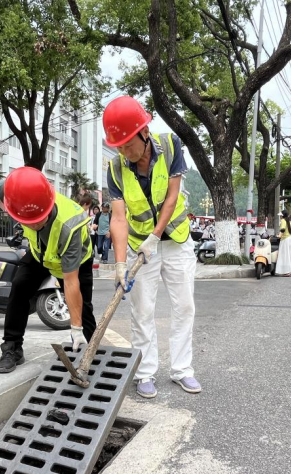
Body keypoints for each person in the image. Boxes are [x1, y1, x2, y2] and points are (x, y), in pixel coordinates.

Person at [0, 167, 96, 373]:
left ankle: (90, 352)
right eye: (28, 222)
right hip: (40, 253)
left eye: (38, 221)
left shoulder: (69, 226)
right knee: (19, 287)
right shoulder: (15, 192)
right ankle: (12, 349)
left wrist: (75, 328)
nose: (33, 226)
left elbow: (70, 281)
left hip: (75, 259)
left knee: (83, 310)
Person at [103, 95, 200, 399]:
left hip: (175, 240)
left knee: (184, 306)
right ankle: (145, 372)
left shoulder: (171, 146)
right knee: (142, 310)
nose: (123, 152)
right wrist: (120, 264)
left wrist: (156, 237)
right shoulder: (115, 168)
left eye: (127, 145)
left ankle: (182, 370)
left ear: (144, 132)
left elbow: (172, 197)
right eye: (118, 147)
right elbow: (118, 218)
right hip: (139, 246)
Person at [275, 210, 291, 276]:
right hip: (290, 238)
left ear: (282, 215)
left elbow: (282, 229)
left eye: (280, 215)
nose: (280, 217)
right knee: (290, 254)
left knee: (285, 255)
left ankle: (287, 271)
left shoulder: (283, 220)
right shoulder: (288, 221)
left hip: (285, 239)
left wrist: (279, 236)